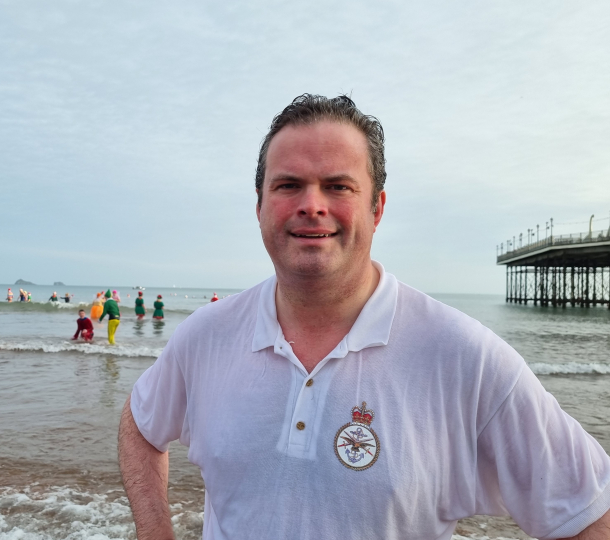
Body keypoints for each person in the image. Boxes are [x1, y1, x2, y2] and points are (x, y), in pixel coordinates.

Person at [118, 94, 610, 540]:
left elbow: (590, 512)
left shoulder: (464, 356)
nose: (312, 205)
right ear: (260, 207)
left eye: (338, 186)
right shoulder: (207, 334)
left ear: (377, 209)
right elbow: (139, 425)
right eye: (288, 185)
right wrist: (155, 531)